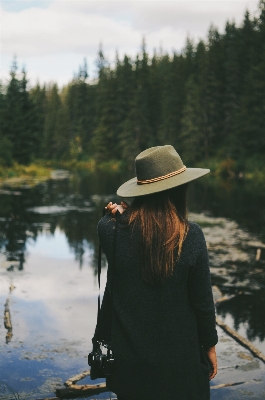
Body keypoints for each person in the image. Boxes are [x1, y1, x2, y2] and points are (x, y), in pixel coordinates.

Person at [95, 145, 218, 400]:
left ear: (141, 190)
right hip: (180, 364)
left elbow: (108, 222)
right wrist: (210, 345)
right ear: (179, 188)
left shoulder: (110, 230)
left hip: (130, 365)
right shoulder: (190, 236)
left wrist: (122, 214)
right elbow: (203, 303)